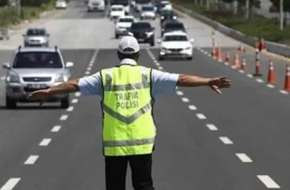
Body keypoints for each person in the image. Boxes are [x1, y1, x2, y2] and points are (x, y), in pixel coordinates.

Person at [27, 36, 231, 190]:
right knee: (144, 185)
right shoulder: (149, 75)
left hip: (114, 145)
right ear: (138, 54)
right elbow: (182, 79)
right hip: (142, 143)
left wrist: (50, 91)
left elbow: (74, 84)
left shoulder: (105, 77)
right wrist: (208, 81)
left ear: (118, 55)